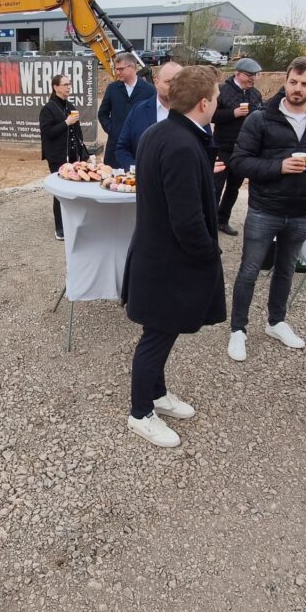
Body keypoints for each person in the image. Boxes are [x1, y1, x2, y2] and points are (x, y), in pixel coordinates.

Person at [121, 66, 226, 448]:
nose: (218, 104)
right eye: (215, 98)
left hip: (157, 255)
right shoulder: (181, 144)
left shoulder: (160, 132)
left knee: (161, 334)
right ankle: (139, 413)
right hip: (168, 262)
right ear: (203, 103)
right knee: (156, 337)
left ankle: (157, 394)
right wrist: (209, 253)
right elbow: (187, 220)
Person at [227, 57, 306, 361]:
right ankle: (238, 329)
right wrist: (278, 167)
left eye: (304, 84)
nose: (297, 89)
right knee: (249, 271)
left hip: (303, 212)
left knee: (286, 270)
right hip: (265, 209)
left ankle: (276, 322)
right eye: (293, 82)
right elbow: (239, 162)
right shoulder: (261, 118)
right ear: (285, 82)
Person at [213, 57, 263, 236]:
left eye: (254, 75)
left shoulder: (255, 94)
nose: (252, 78)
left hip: (244, 150)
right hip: (222, 147)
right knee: (215, 187)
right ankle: (209, 222)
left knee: (234, 188)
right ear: (238, 73)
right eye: (249, 75)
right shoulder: (221, 91)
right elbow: (211, 116)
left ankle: (223, 220)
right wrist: (232, 113)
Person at [39, 73, 88, 240]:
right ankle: (60, 228)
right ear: (56, 87)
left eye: (69, 84)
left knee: (74, 190)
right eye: (65, 84)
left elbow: (77, 132)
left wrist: (82, 153)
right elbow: (47, 133)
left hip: (73, 155)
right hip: (57, 156)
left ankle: (72, 223)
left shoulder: (69, 105)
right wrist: (66, 123)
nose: (69, 87)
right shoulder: (48, 109)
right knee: (60, 192)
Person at [115, 60, 183, 168]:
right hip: (144, 181)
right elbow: (122, 149)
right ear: (156, 82)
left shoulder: (193, 112)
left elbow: (204, 148)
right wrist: (138, 170)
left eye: (180, 82)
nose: (174, 87)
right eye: (168, 82)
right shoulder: (138, 111)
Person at [98, 52, 156, 170]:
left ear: (132, 68)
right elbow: (102, 113)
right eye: (116, 69)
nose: (117, 72)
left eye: (120, 69)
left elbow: (154, 116)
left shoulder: (149, 90)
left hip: (140, 148)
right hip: (115, 148)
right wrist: (112, 129)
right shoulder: (112, 88)